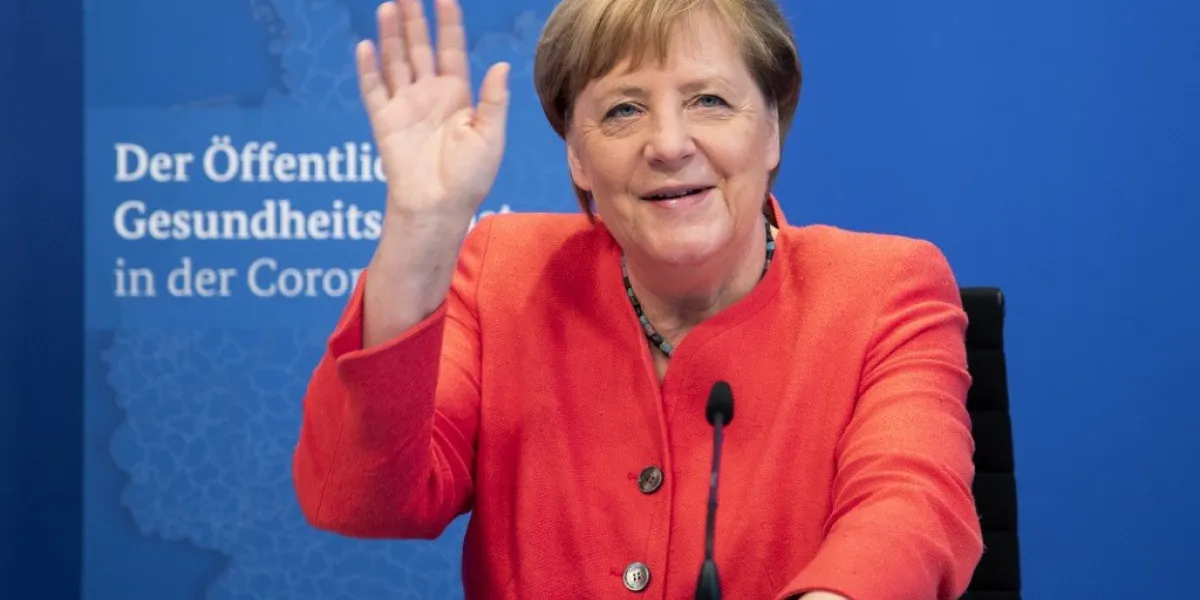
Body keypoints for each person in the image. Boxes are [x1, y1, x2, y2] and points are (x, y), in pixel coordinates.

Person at [292, 0, 984, 597]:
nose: (669, 144)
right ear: (577, 158)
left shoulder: (885, 288)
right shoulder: (503, 274)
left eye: (708, 100)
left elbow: (912, 507)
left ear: (771, 128)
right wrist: (421, 227)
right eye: (624, 110)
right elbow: (365, 500)